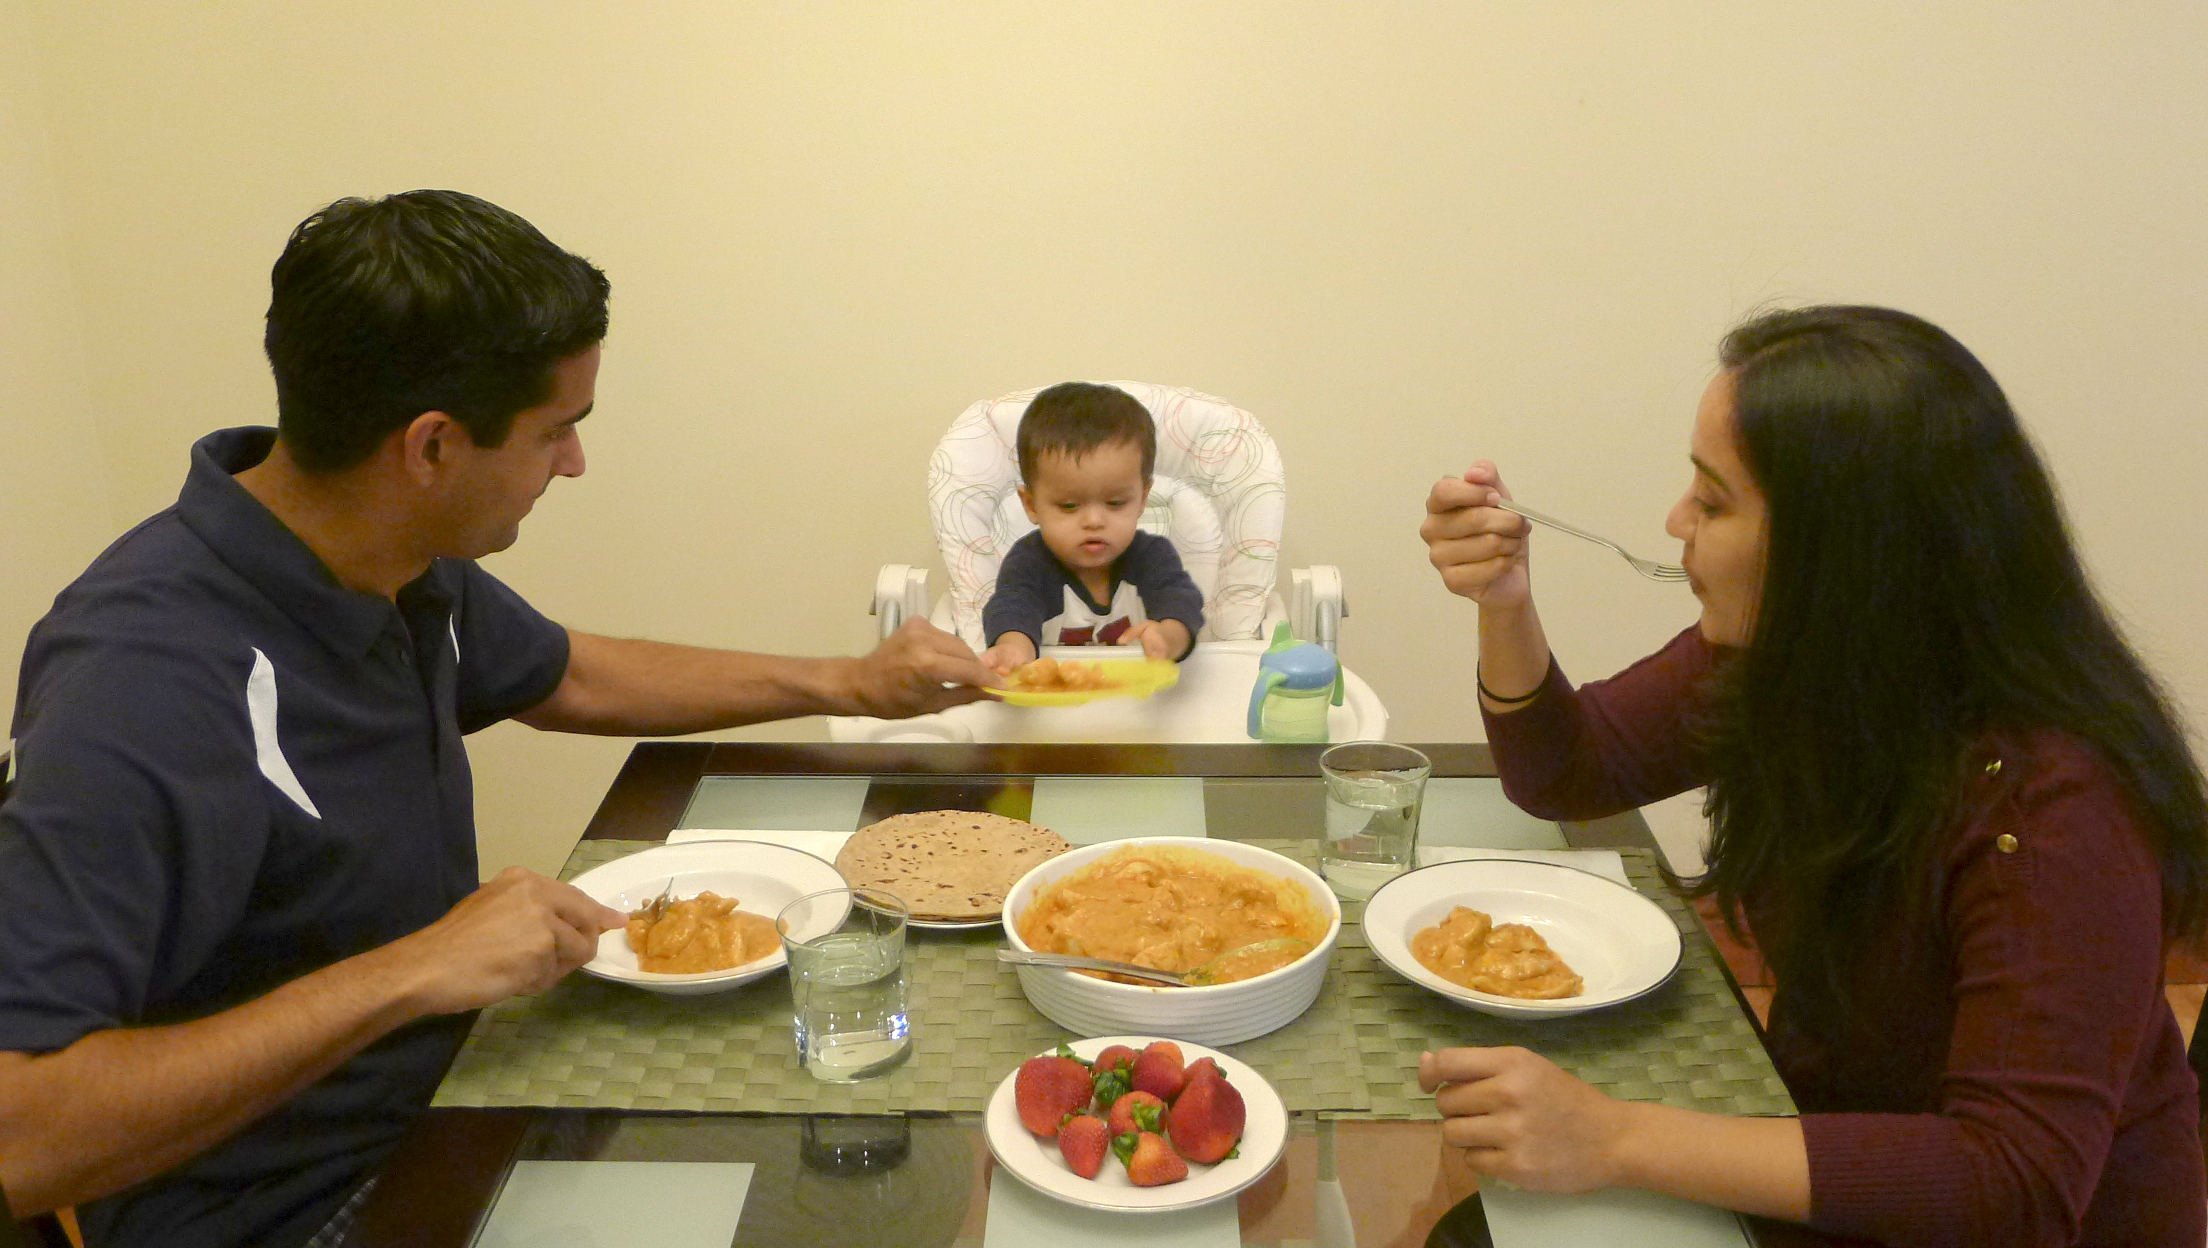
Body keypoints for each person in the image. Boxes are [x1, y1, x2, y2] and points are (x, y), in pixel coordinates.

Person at [0, 190, 999, 1248]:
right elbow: (23, 1136)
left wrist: (850, 683)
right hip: (302, 1207)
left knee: (897, 1148)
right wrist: (414, 970)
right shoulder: (144, 686)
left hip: (463, 1088)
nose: (573, 464)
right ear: (431, 447)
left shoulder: (385, 556)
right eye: (556, 432)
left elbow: (572, 675)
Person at [1415, 305, 2207, 1246]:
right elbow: (1571, 771)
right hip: (1828, 1159)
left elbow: (2015, 1184)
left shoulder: (2053, 804)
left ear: (1844, 552)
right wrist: (1505, 605)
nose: (1676, 521)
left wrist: (1617, 1136)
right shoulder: (1806, 666)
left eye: (1712, 502)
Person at [978, 382, 1205, 671]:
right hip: (1053, 708)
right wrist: (1012, 648)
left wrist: (1169, 637)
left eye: (1115, 503)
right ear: (1032, 505)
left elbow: (1181, 602)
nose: (1094, 521)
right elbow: (1013, 608)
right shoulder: (1029, 563)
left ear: (1142, 499)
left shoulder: (1152, 556)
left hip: (1142, 702)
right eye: (1069, 506)